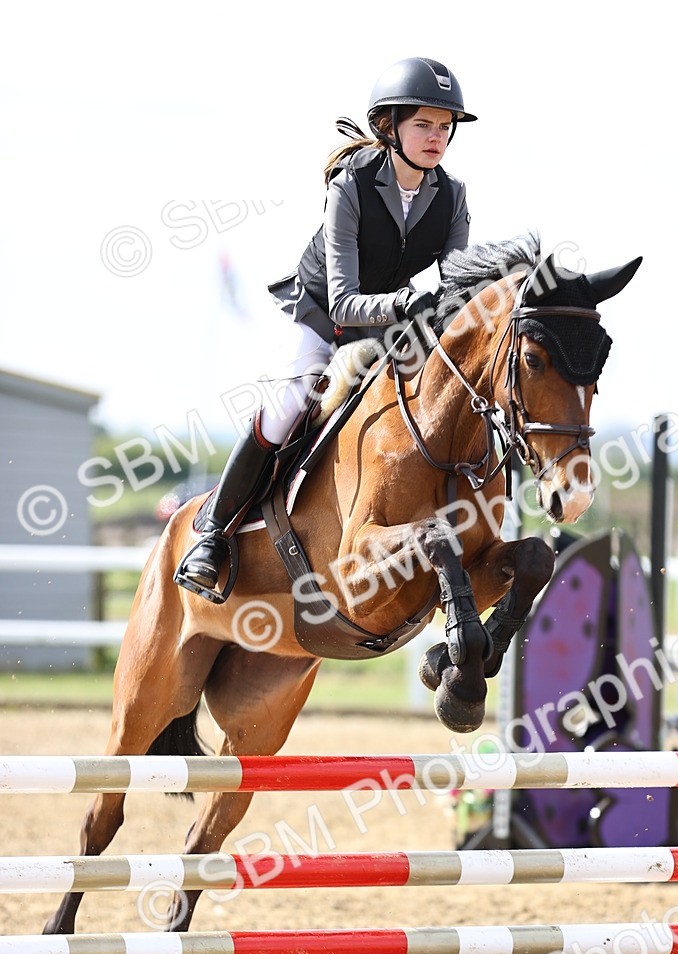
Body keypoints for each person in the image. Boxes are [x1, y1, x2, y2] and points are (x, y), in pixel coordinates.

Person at [175, 56, 476, 601]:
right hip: (322, 314)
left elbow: (456, 289)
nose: (437, 137)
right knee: (290, 403)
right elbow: (343, 304)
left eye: (445, 126)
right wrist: (412, 301)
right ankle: (213, 534)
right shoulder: (351, 186)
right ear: (390, 127)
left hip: (387, 326)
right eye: (424, 124)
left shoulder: (452, 197)